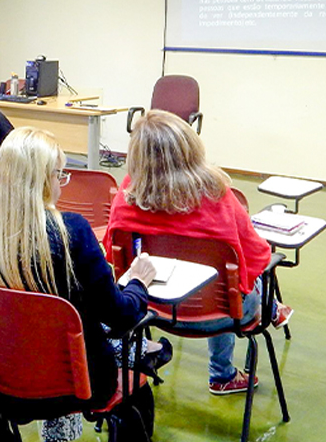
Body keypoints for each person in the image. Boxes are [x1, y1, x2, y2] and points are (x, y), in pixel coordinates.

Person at [0, 127, 161, 442]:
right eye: (58, 174)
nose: (60, 183)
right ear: (39, 182)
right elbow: (121, 316)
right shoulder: (72, 235)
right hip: (77, 384)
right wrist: (138, 282)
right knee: (117, 343)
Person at [107, 109, 294, 396]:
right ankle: (223, 375)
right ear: (190, 147)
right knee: (239, 279)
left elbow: (113, 255)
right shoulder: (218, 195)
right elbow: (258, 257)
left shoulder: (127, 195)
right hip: (220, 313)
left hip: (150, 306)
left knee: (225, 279)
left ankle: (270, 310)